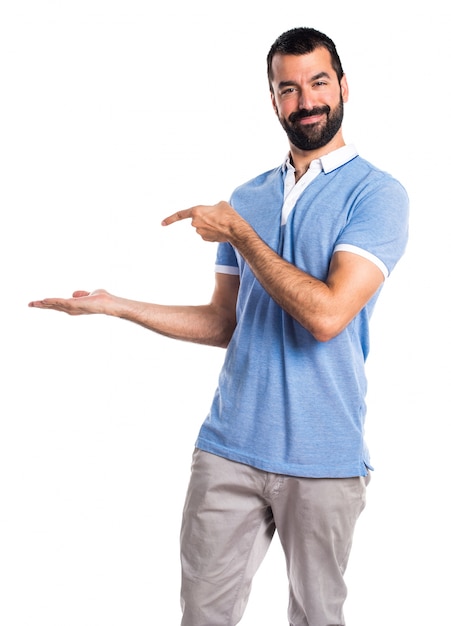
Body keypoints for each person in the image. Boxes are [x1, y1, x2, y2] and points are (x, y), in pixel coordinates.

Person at [29, 26, 409, 626]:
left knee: (317, 618)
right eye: (288, 88)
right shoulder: (247, 196)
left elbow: (328, 315)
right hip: (229, 448)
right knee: (201, 617)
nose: (305, 101)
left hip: (324, 456)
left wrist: (240, 234)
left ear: (343, 86)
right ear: (272, 98)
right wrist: (116, 305)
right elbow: (223, 321)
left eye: (317, 82)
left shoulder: (379, 195)